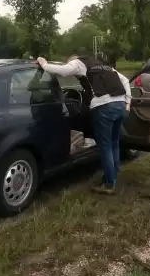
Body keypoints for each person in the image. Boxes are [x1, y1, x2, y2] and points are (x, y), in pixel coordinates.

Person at [36, 53, 131, 194]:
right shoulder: (104, 66)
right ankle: (113, 175)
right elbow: (125, 80)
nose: (74, 73)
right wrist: (128, 102)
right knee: (114, 142)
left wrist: (44, 64)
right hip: (120, 105)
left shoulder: (78, 63)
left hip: (104, 107)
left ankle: (109, 184)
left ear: (72, 60)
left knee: (105, 146)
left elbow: (63, 71)